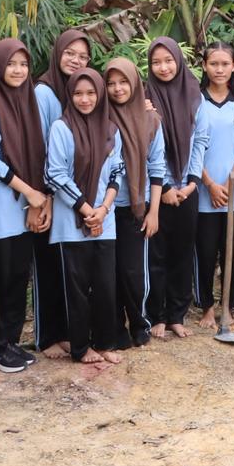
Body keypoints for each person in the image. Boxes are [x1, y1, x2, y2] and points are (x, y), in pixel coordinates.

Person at [0, 38, 48, 373]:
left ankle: (9, 342)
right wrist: (30, 192)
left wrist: (36, 196)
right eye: (11, 64)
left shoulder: (26, 101)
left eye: (23, 64)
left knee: (18, 276)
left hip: (22, 206)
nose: (18, 70)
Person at [45, 69, 125, 365]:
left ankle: (104, 342)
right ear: (70, 96)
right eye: (78, 93)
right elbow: (55, 174)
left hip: (105, 219)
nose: (85, 99)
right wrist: (86, 209)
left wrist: (103, 209)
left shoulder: (111, 129)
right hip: (72, 220)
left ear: (100, 95)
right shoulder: (61, 128)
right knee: (76, 289)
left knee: (105, 285)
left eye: (91, 93)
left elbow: (118, 171)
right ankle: (80, 347)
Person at [31, 29, 91, 357]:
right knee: (47, 264)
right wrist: (45, 197)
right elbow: (40, 148)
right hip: (49, 193)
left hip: (71, 194)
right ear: (57, 53)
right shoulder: (45, 92)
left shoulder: (78, 92)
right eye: (70, 53)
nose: (76, 61)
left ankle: (65, 330)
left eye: (83, 57)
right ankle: (46, 335)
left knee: (65, 266)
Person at [145, 37, 209, 337]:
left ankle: (177, 315)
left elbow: (200, 140)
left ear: (178, 61)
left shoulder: (194, 94)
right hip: (157, 190)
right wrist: (167, 186)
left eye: (168, 60)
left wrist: (192, 182)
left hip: (188, 189)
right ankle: (156, 314)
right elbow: (146, 147)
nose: (163, 67)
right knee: (156, 254)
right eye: (156, 62)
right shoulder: (145, 98)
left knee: (183, 253)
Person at [195, 43, 234, 327]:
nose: (219, 70)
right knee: (205, 252)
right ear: (204, 66)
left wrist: (232, 179)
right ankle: (206, 306)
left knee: (232, 252)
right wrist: (210, 184)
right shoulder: (196, 102)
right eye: (213, 64)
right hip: (203, 192)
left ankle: (229, 305)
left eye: (225, 64)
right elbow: (191, 148)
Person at [104, 57, 165, 349]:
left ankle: (140, 323)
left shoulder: (150, 119)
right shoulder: (99, 117)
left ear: (135, 84)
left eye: (124, 82)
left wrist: (154, 211)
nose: (117, 89)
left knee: (133, 271)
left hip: (135, 207)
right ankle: (114, 327)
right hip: (103, 209)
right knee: (108, 273)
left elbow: (157, 167)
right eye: (111, 83)